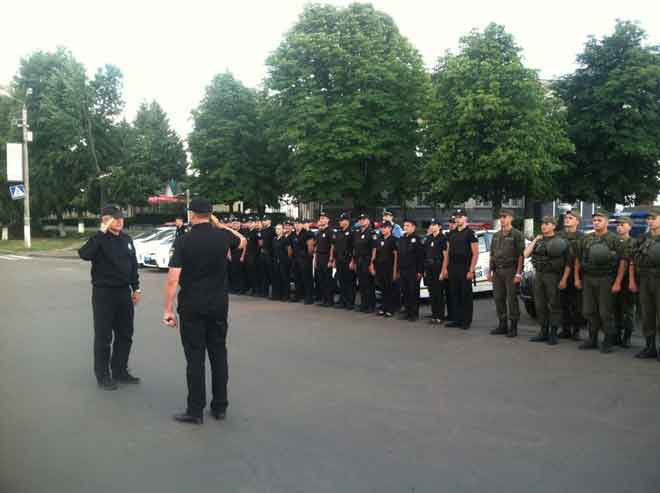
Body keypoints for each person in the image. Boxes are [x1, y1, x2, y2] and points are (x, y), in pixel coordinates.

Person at [163, 199, 246, 424]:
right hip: (218, 305)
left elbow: (173, 279)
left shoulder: (183, 240)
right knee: (219, 354)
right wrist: (219, 226)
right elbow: (242, 240)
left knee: (195, 358)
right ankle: (220, 407)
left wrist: (168, 309)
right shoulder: (222, 236)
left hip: (192, 306)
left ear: (192, 214)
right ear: (210, 214)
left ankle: (195, 410)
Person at [78, 204, 141, 390]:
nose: (120, 221)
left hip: (123, 293)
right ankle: (103, 375)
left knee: (125, 334)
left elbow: (133, 266)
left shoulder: (127, 239)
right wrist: (100, 232)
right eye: (115, 218)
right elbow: (84, 254)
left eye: (121, 218)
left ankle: (120, 369)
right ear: (106, 220)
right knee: (104, 336)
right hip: (104, 293)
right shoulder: (99, 240)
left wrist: (136, 288)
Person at [574, 209, 626, 353]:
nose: (596, 223)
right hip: (588, 278)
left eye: (599, 220)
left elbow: (623, 261)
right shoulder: (586, 239)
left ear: (607, 222)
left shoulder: (614, 239)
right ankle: (592, 339)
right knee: (589, 310)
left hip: (606, 278)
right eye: (594, 220)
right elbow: (578, 259)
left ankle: (608, 340)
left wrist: (617, 282)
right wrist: (577, 278)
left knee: (605, 311)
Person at [524, 216, 571, 345]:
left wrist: (564, 279)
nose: (544, 226)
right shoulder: (538, 241)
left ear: (553, 226)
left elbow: (568, 263)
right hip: (538, 275)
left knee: (553, 304)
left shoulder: (561, 241)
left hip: (553, 276)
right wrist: (535, 240)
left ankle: (553, 333)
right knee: (539, 305)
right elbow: (525, 254)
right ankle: (543, 331)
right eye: (542, 223)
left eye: (547, 224)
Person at [629, 207, 660, 360]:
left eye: (654, 218)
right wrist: (633, 280)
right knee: (647, 314)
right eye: (648, 219)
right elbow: (633, 258)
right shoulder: (642, 238)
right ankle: (650, 347)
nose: (650, 221)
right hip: (645, 279)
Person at [488, 209, 525, 337]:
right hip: (498, 270)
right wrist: (490, 271)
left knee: (511, 299)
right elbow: (492, 254)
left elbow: (521, 255)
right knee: (498, 298)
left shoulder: (517, 234)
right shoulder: (496, 235)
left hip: (511, 270)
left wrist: (519, 273)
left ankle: (513, 327)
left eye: (505, 217)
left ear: (511, 218)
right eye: (501, 217)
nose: (502, 219)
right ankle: (502, 324)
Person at [441, 209, 479, 330]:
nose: (458, 219)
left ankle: (466, 321)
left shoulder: (470, 233)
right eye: (456, 217)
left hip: (465, 267)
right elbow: (447, 253)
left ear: (465, 218)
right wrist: (445, 269)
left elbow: (475, 253)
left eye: (460, 217)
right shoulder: (451, 234)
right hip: (453, 268)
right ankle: (457, 319)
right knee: (455, 294)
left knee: (465, 295)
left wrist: (471, 270)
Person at [558, 209, 585, 340]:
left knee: (576, 304)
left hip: (576, 274)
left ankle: (576, 330)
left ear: (577, 221)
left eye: (570, 218)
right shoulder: (559, 235)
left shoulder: (582, 237)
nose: (567, 220)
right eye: (566, 218)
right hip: (559, 272)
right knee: (562, 303)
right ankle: (565, 329)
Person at [613, 216, 635, 347]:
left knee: (628, 310)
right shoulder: (614, 242)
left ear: (629, 227)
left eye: (623, 224)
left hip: (627, 280)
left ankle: (627, 336)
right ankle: (616, 334)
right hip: (612, 277)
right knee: (615, 308)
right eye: (618, 225)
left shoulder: (633, 242)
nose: (619, 227)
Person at [397, 219, 424, 322]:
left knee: (413, 292)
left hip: (413, 270)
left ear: (413, 227)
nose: (405, 227)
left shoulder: (417, 239)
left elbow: (421, 257)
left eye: (408, 226)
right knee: (405, 291)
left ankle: (414, 313)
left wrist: (420, 271)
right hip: (403, 269)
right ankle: (407, 312)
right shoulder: (402, 239)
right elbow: (400, 255)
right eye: (404, 226)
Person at [424, 218, 448, 324]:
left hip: (438, 266)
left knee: (438, 292)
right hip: (429, 267)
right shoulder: (428, 238)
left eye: (435, 225)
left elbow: (446, 256)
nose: (432, 226)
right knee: (432, 292)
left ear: (439, 226)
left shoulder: (443, 238)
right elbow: (425, 254)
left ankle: (440, 316)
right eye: (431, 225)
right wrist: (424, 269)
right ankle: (434, 315)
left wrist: (443, 270)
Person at [353, 213, 378, 313]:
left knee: (369, 284)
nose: (362, 221)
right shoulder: (357, 232)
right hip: (359, 260)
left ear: (368, 221)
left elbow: (374, 249)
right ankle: (364, 304)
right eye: (360, 219)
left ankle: (371, 305)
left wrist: (372, 263)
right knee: (362, 283)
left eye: (364, 219)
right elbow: (355, 248)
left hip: (367, 260)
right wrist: (354, 261)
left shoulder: (371, 233)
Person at [372, 221, 398, 317]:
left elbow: (396, 255)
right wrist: (372, 265)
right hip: (380, 267)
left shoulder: (394, 240)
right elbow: (375, 253)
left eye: (385, 227)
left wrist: (395, 270)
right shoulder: (379, 239)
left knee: (389, 288)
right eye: (381, 228)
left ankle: (390, 309)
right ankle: (383, 307)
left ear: (390, 228)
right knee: (382, 288)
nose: (383, 229)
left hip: (389, 267)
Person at [330, 212, 356, 310]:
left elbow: (354, 248)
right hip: (339, 259)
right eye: (340, 220)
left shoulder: (352, 232)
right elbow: (334, 247)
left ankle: (350, 302)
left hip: (348, 259)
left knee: (349, 282)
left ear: (347, 221)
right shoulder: (338, 232)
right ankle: (343, 300)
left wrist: (353, 261)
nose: (340, 222)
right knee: (341, 281)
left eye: (342, 220)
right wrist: (334, 260)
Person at [290, 219, 315, 304]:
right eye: (295, 223)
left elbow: (310, 247)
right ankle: (298, 295)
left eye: (299, 224)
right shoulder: (293, 234)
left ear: (302, 225)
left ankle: (309, 297)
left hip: (305, 258)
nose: (296, 225)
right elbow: (291, 247)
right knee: (297, 278)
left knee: (307, 278)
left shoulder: (307, 233)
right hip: (296, 259)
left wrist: (308, 257)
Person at [314, 212, 335, 307]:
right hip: (319, 257)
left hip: (327, 257)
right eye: (320, 218)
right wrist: (315, 260)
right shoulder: (318, 232)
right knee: (321, 279)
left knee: (328, 279)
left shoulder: (330, 231)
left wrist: (331, 259)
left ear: (328, 220)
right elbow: (316, 247)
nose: (321, 220)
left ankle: (329, 300)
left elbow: (332, 246)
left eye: (323, 218)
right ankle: (324, 299)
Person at [271, 223, 292, 301]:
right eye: (276, 229)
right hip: (276, 261)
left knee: (284, 279)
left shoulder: (285, 239)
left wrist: (286, 260)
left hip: (284, 262)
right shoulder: (274, 239)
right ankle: (277, 295)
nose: (277, 230)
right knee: (277, 278)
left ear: (283, 230)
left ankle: (285, 295)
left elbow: (289, 252)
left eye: (279, 229)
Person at [258, 215, 275, 298]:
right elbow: (260, 242)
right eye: (263, 220)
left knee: (271, 273)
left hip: (269, 254)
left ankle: (273, 293)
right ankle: (264, 292)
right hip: (263, 253)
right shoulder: (263, 230)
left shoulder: (273, 230)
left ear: (270, 221)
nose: (264, 221)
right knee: (263, 273)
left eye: (266, 220)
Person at [245, 217, 260, 296]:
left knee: (254, 273)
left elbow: (259, 245)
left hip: (253, 255)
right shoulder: (247, 232)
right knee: (249, 272)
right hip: (248, 254)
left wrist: (256, 255)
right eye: (249, 222)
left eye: (252, 222)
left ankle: (256, 290)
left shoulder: (256, 233)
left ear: (254, 224)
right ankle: (252, 288)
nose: (250, 224)